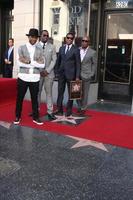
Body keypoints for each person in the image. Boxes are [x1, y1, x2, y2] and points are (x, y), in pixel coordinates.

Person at [13, 28, 45, 125]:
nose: (34, 39)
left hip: (35, 78)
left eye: (36, 37)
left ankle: (36, 118)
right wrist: (35, 63)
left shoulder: (40, 49)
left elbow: (42, 65)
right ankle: (17, 116)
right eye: (32, 37)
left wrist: (29, 62)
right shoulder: (21, 47)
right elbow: (19, 63)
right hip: (23, 77)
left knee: (34, 99)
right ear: (29, 37)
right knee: (20, 98)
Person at [54, 32, 81, 117]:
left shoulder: (76, 49)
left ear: (72, 40)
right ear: (65, 38)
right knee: (60, 92)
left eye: (71, 38)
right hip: (61, 74)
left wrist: (77, 76)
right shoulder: (61, 48)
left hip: (71, 75)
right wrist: (56, 72)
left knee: (71, 94)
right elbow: (58, 61)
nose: (69, 39)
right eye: (68, 38)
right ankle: (59, 110)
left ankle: (69, 110)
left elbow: (78, 64)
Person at [37, 30, 57, 120]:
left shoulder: (52, 47)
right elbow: (34, 59)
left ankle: (50, 112)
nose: (46, 37)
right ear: (40, 36)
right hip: (38, 74)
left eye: (47, 35)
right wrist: (40, 70)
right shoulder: (36, 46)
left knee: (49, 94)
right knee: (37, 93)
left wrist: (47, 70)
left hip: (49, 74)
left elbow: (54, 60)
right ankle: (36, 110)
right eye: (44, 35)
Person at [77, 36, 97, 114]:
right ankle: (79, 106)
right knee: (77, 92)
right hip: (77, 75)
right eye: (83, 40)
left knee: (85, 93)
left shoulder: (92, 52)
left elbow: (94, 64)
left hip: (86, 75)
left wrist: (91, 74)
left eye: (86, 41)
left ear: (89, 42)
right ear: (81, 41)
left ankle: (83, 108)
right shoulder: (77, 50)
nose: (84, 42)